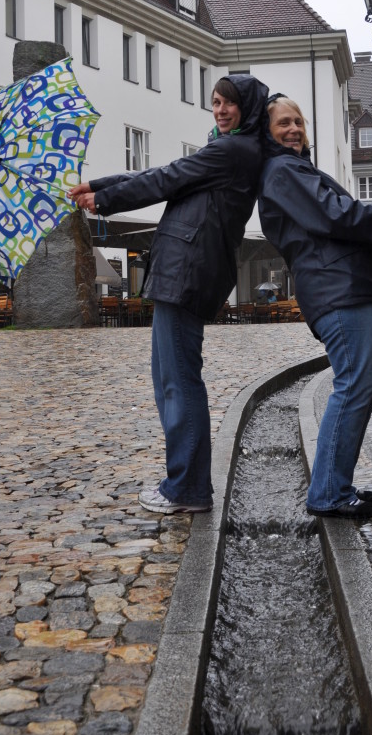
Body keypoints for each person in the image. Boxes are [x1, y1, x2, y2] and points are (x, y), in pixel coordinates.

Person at [70, 74, 269, 513]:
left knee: (179, 383)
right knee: (172, 381)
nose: (220, 110)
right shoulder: (230, 148)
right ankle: (185, 483)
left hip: (188, 272)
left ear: (248, 108)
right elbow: (165, 175)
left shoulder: (234, 150)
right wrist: (99, 186)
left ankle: (188, 489)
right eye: (215, 102)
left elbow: (166, 178)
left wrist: (103, 200)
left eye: (229, 103)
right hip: (186, 270)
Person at [258, 95, 372, 519]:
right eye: (283, 122)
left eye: (299, 120)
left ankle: (335, 484)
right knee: (356, 383)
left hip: (346, 284)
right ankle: (328, 493)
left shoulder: (296, 170)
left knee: (366, 384)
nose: (294, 128)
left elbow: (339, 226)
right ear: (266, 133)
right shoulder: (282, 171)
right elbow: (338, 217)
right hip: (335, 288)